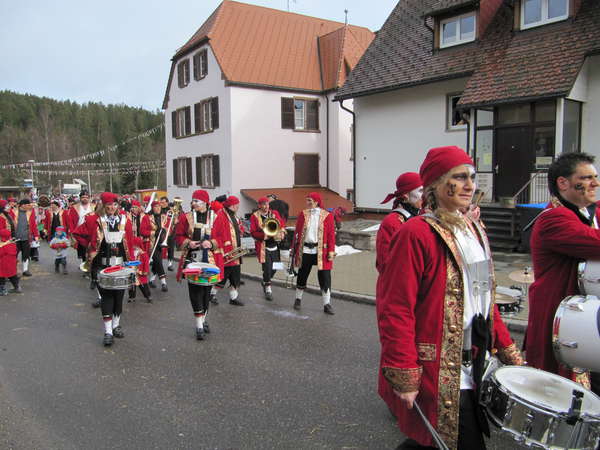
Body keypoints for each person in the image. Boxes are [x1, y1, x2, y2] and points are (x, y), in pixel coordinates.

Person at [377, 146, 523, 450]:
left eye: (472, 177)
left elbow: (484, 297)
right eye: (459, 177)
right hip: (439, 367)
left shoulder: (474, 229)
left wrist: (507, 348)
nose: (470, 185)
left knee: (439, 441)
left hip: (476, 361)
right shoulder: (416, 232)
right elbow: (396, 306)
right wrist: (403, 368)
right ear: (435, 184)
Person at [526, 152, 600, 388]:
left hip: (583, 319)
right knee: (559, 390)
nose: (595, 184)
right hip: (559, 317)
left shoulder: (589, 212)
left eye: (595, 177)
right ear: (563, 183)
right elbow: (595, 242)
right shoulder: (553, 219)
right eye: (586, 178)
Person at [73, 192, 134, 347]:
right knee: (107, 297)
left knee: (119, 296)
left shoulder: (125, 221)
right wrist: (90, 247)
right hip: (102, 266)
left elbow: (130, 243)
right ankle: (108, 332)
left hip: (120, 266)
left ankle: (116, 325)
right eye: (109, 205)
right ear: (103, 205)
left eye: (114, 204)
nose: (112, 207)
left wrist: (132, 264)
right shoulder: (93, 220)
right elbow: (77, 233)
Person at [175, 190, 222, 339]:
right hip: (192, 259)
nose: (193, 203)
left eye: (196, 201)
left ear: (205, 202)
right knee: (195, 291)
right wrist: (188, 243)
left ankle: (203, 318)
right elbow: (178, 236)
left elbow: (222, 237)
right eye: (193, 200)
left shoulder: (216, 217)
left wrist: (212, 243)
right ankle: (199, 325)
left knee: (206, 292)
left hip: (210, 260)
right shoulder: (186, 217)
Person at [291, 192, 336, 315]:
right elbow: (297, 232)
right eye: (307, 200)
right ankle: (298, 299)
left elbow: (331, 235)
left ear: (316, 202)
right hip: (305, 250)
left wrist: (331, 250)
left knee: (325, 277)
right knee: (302, 275)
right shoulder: (303, 214)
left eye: (310, 200)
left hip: (321, 251)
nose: (308, 203)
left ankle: (327, 304)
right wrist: (293, 248)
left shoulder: (327, 216)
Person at [376, 172, 423, 275]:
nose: (424, 196)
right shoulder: (391, 222)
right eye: (420, 191)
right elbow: (384, 263)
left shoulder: (421, 216)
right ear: (406, 195)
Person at [250, 197, 285, 301]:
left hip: (275, 245)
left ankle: (265, 281)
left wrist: (282, 232)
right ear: (259, 205)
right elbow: (253, 232)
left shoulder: (274, 213)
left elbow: (281, 224)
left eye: (267, 204)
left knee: (277, 267)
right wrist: (264, 236)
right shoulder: (254, 216)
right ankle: (268, 289)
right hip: (263, 246)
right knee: (267, 268)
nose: (266, 206)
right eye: (264, 204)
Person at [213, 196, 245, 306]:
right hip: (226, 251)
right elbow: (216, 233)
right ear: (232, 205)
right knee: (223, 276)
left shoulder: (234, 215)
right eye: (237, 205)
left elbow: (237, 229)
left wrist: (240, 231)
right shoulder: (221, 215)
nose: (238, 207)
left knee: (235, 277)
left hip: (236, 251)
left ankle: (233, 298)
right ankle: (212, 294)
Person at [68, 191, 94, 276]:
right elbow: (71, 221)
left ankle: (92, 267)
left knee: (93, 250)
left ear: (89, 198)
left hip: (92, 232)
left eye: (86, 197)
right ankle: (85, 268)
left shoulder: (94, 206)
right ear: (80, 198)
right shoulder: (75, 208)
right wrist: (72, 232)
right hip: (80, 232)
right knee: (83, 251)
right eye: (83, 197)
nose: (85, 199)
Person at [12, 199, 39, 277]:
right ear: (23, 205)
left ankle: (25, 269)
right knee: (13, 254)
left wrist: (36, 235)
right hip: (15, 238)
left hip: (26, 237)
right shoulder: (13, 212)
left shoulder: (30, 212)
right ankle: (13, 270)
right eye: (28, 205)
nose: (29, 206)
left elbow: (33, 224)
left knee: (26, 254)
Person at [148, 201, 169, 292]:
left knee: (157, 262)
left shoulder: (164, 216)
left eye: (159, 206)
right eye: (155, 206)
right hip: (152, 243)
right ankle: (163, 283)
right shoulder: (148, 217)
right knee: (158, 261)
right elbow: (144, 230)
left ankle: (151, 280)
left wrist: (164, 231)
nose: (158, 208)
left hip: (161, 242)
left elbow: (169, 228)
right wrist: (154, 232)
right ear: (152, 208)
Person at [129, 236, 152, 303]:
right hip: (133, 271)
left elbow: (146, 264)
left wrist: (145, 271)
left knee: (143, 285)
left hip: (140, 272)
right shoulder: (131, 253)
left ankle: (148, 296)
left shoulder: (143, 254)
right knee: (132, 285)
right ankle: (132, 297)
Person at [0, 228, 21, 295]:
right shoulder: (12, 244)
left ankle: (2, 290)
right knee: (13, 276)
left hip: (3, 265)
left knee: (1, 277)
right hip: (12, 264)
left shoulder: (3, 245)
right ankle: (17, 287)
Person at [160, 196, 177, 271]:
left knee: (171, 249)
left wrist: (175, 220)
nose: (162, 204)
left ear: (167, 202)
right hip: (162, 232)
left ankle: (170, 264)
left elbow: (174, 221)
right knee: (159, 248)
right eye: (161, 202)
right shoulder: (159, 210)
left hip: (170, 232)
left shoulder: (171, 210)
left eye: (163, 202)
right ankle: (158, 263)